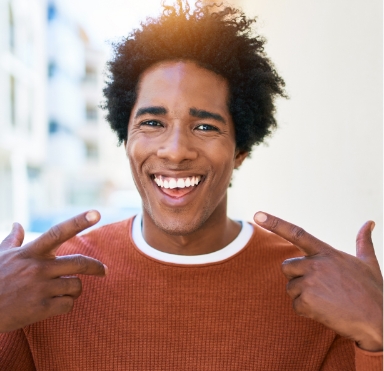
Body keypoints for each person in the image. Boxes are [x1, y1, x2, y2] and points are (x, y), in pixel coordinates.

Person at [0, 2, 382, 370]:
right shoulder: (47, 283)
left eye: (205, 127)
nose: (176, 151)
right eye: (152, 122)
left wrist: (379, 329)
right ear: (125, 138)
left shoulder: (316, 290)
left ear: (240, 150)